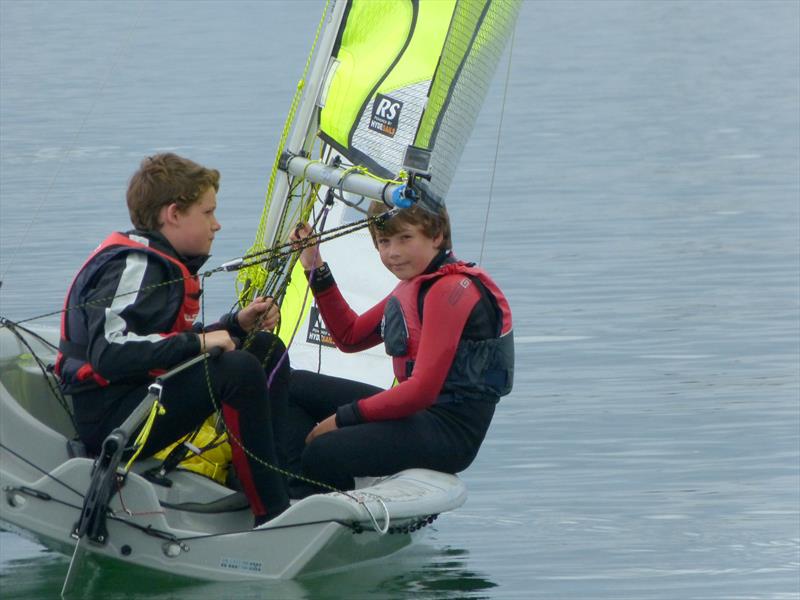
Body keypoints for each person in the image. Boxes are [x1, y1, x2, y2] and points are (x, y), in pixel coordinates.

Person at [55, 153, 289, 526]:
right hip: (112, 420)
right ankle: (272, 515)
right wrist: (200, 343)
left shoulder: (156, 261)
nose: (218, 225)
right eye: (208, 212)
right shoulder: (135, 265)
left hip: (144, 396)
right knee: (239, 370)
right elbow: (109, 353)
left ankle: (265, 479)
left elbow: (155, 343)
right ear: (174, 214)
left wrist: (234, 327)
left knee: (264, 349)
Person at [286, 200, 514, 496]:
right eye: (384, 241)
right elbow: (349, 336)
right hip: (419, 416)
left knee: (322, 450)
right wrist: (314, 264)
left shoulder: (450, 290)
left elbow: (421, 390)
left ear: (436, 235)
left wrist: (342, 419)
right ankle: (298, 488)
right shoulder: (416, 285)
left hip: (450, 433)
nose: (393, 253)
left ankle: (313, 497)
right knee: (291, 385)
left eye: (405, 238)